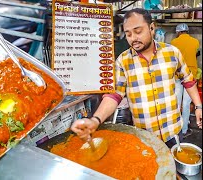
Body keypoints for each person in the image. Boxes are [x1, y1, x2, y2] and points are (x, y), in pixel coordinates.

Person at [71, 8, 202, 149]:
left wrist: (199, 106)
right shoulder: (123, 61)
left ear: (152, 28)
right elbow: (114, 95)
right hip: (145, 138)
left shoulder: (172, 53)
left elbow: (188, 80)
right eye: (128, 34)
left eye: (138, 31)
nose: (133, 38)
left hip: (173, 133)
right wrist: (95, 120)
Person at [171, 23, 200, 138]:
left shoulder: (173, 42)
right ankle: (184, 130)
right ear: (187, 31)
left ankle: (176, 129)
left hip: (178, 75)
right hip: (191, 76)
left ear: (178, 32)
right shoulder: (195, 42)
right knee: (187, 104)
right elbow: (196, 53)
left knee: (177, 102)